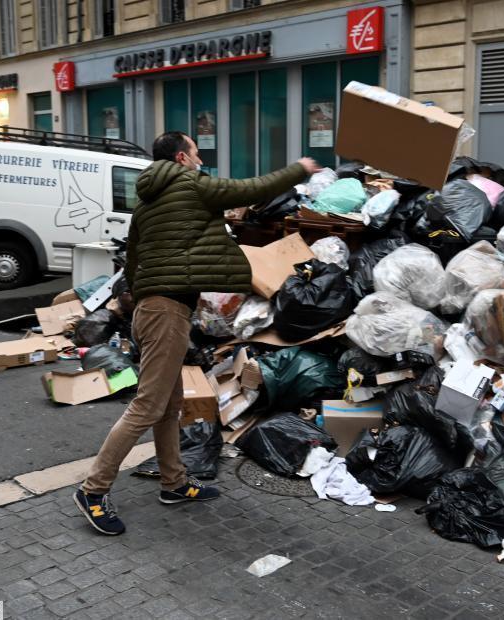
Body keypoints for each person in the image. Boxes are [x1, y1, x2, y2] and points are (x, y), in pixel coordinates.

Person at [75, 130, 319, 535]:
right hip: (166, 308)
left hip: (154, 307)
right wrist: (300, 170)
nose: (202, 160)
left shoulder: (148, 201)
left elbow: (132, 257)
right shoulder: (188, 183)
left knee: (169, 405)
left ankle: (173, 482)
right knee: (148, 406)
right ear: (181, 159)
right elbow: (250, 189)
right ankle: (93, 489)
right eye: (197, 153)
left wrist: (142, 297)